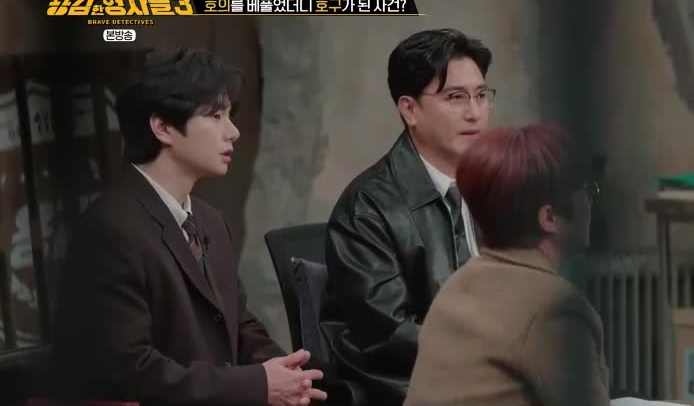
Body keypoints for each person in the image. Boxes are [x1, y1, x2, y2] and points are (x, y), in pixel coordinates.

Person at [51, 48, 327, 406]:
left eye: (230, 116)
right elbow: (130, 370)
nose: (233, 132)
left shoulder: (210, 219)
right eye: (215, 116)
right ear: (163, 127)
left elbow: (237, 324)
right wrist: (256, 385)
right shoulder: (110, 229)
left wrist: (290, 375)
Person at [319, 28, 494, 404]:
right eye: (455, 97)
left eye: (481, 95)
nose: (475, 112)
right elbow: (390, 334)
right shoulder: (367, 207)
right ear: (409, 109)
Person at [404, 123, 609, 406]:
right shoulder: (555, 309)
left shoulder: (457, 286)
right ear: (549, 218)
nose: (590, 201)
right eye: (586, 190)